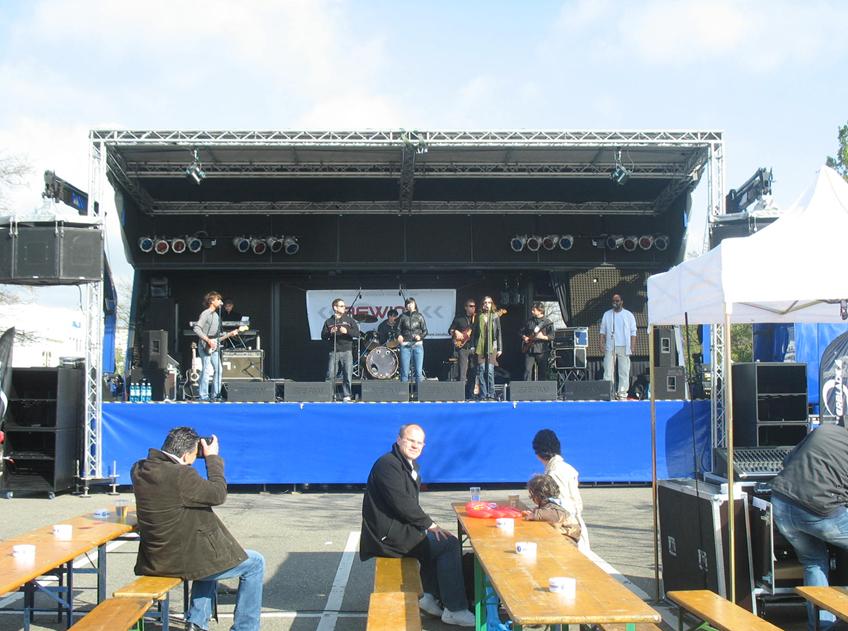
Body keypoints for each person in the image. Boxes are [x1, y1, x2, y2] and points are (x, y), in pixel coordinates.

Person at [131, 427, 265, 631]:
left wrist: (195, 453)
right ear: (185, 455)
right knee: (255, 563)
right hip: (179, 562)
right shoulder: (181, 475)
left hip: (154, 559)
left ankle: (197, 622)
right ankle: (245, 628)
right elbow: (217, 494)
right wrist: (212, 458)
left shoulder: (139, 469)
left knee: (209, 556)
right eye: (194, 455)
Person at [360, 424, 475, 627]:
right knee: (448, 544)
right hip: (387, 537)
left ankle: (429, 597)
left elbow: (408, 506)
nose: (415, 445)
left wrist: (425, 527)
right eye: (410, 440)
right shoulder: (388, 465)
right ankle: (455, 609)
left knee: (435, 542)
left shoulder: (408, 465)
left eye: (419, 442)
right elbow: (402, 503)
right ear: (399, 440)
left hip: (397, 530)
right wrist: (430, 525)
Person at [771, 423, 848, 631]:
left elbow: (787, 461)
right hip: (818, 510)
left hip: (781, 504)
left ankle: (822, 627)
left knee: (813, 562)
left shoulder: (823, 430)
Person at [532, 429, 590, 552]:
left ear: (538, 453)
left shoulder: (554, 474)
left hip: (567, 530)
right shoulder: (567, 468)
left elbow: (561, 507)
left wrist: (539, 514)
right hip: (575, 524)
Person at [522, 474, 581, 546]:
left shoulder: (554, 506)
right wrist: (533, 512)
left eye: (531, 496)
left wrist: (535, 515)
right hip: (560, 537)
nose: (531, 498)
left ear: (538, 496)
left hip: (568, 540)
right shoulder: (548, 505)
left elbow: (555, 515)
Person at [598, 293, 637, 400]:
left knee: (624, 370)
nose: (615, 303)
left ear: (622, 302)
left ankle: (622, 393)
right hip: (610, 346)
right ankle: (608, 392)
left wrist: (632, 346)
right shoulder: (607, 314)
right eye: (613, 301)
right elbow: (602, 330)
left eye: (617, 301)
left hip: (624, 346)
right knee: (608, 370)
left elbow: (633, 332)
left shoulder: (628, 315)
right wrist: (601, 343)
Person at [321, 297, 360, 402]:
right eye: (342, 306)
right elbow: (323, 336)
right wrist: (330, 332)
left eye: (344, 306)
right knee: (330, 374)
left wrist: (347, 331)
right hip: (334, 350)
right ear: (335, 307)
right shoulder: (329, 321)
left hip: (347, 350)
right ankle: (329, 394)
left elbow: (357, 334)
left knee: (347, 374)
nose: (344, 308)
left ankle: (347, 395)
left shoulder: (349, 320)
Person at [193, 291, 224, 401]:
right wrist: (207, 340)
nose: (220, 301)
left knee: (219, 369)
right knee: (206, 369)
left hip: (214, 345)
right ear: (211, 301)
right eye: (218, 299)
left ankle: (215, 395)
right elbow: (196, 328)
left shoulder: (216, 315)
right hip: (204, 345)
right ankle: (203, 395)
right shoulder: (206, 313)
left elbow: (216, 334)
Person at [471, 296, 502, 400]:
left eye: (489, 302)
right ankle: (483, 395)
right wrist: (472, 345)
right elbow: (474, 332)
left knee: (490, 371)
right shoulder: (478, 316)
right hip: (480, 347)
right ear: (482, 304)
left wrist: (500, 348)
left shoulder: (495, 316)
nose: (487, 304)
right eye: (485, 302)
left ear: (491, 304)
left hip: (492, 347)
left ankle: (491, 394)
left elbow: (498, 332)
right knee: (481, 371)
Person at [448, 299, 477, 398]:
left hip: (474, 348)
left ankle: (471, 394)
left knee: (473, 372)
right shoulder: (459, 318)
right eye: (471, 306)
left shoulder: (477, 318)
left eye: (474, 306)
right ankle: (461, 395)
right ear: (466, 307)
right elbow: (450, 330)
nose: (473, 308)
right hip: (463, 348)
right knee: (462, 373)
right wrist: (455, 332)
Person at [397, 297, 428, 385]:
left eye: (411, 303)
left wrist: (420, 336)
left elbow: (425, 331)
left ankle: (419, 392)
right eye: (408, 304)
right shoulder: (402, 316)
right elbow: (397, 329)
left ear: (415, 304)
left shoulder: (419, 316)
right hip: (405, 345)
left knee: (418, 371)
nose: (409, 305)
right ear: (406, 306)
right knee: (404, 372)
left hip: (417, 345)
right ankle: (403, 392)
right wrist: (399, 335)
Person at [521, 302, 553, 381]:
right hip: (529, 350)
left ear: (540, 311)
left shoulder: (548, 322)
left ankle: (542, 388)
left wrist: (543, 337)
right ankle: (526, 387)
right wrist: (524, 337)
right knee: (527, 370)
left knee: (542, 372)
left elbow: (552, 336)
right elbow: (521, 332)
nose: (532, 311)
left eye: (534, 310)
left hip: (542, 350)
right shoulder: (529, 321)